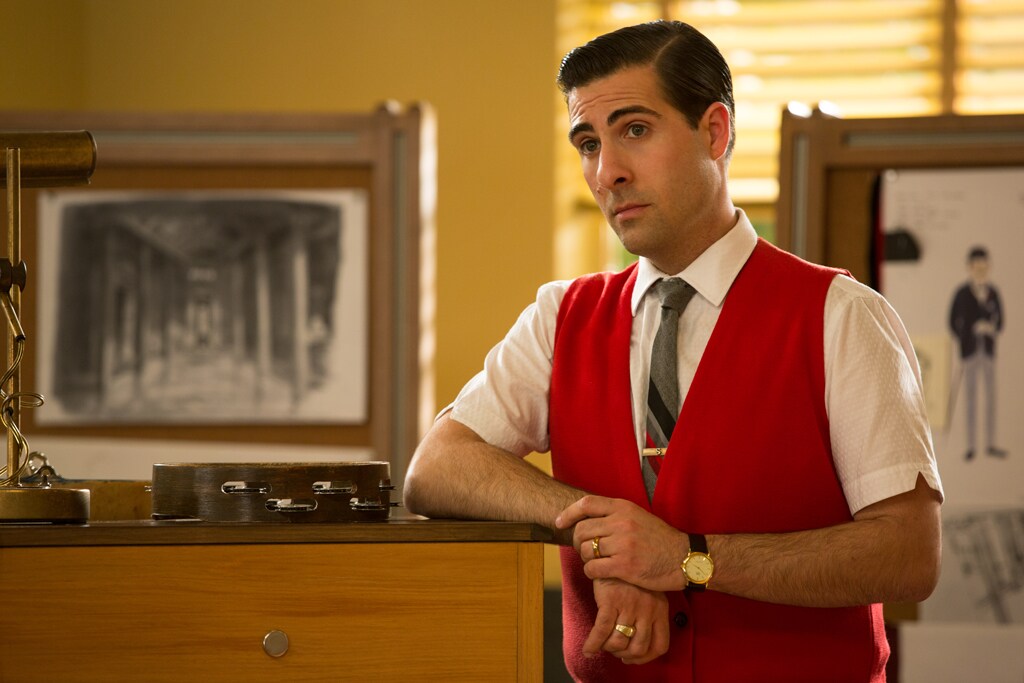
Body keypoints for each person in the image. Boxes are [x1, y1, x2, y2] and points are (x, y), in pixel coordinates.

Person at [404, 20, 943, 682]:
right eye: (588, 142)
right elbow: (436, 466)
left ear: (714, 133)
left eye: (634, 130)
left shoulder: (841, 317)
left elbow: (910, 552)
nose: (608, 172)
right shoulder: (559, 317)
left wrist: (691, 559)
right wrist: (600, 535)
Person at [949, 246, 1005, 461]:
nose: (981, 271)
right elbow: (952, 321)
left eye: (984, 267)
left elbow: (1001, 321)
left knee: (990, 397)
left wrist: (990, 328)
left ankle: (990, 443)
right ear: (969, 267)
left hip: (988, 351)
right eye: (976, 267)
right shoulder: (962, 293)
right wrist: (967, 333)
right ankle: (971, 445)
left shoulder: (994, 292)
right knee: (970, 398)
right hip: (970, 352)